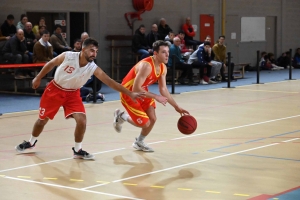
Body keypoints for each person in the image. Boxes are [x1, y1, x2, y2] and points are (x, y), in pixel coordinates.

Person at [15, 38, 144, 159]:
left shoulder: (93, 67)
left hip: (73, 94)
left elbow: (110, 82)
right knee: (42, 121)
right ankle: (31, 142)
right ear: (83, 49)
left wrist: (129, 93)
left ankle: (78, 150)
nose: (94, 54)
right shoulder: (68, 56)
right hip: (55, 90)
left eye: (96, 51)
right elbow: (51, 64)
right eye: (92, 50)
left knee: (82, 121)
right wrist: (38, 78)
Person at [113, 40, 190, 152]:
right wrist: (156, 97)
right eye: (163, 52)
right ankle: (122, 116)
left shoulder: (163, 67)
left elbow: (163, 89)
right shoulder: (147, 66)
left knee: (152, 119)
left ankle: (139, 142)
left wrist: (176, 107)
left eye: (168, 51)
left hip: (142, 91)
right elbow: (135, 89)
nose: (167, 54)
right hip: (129, 93)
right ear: (155, 53)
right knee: (145, 123)